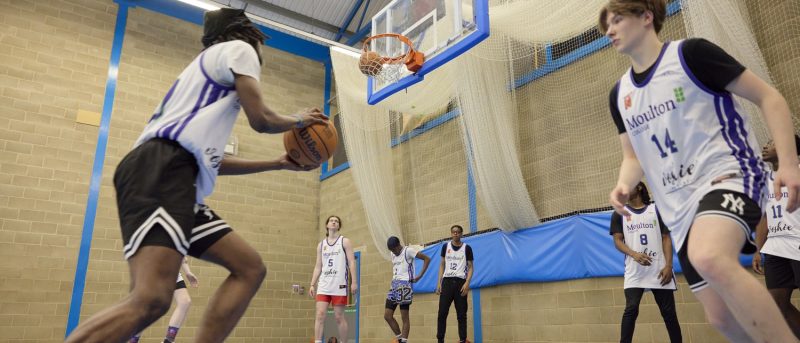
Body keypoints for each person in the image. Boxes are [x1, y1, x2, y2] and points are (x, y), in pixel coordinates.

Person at [65, 8, 328, 343]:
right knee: (151, 298)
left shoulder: (206, 81)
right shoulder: (239, 49)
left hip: (176, 176)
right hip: (163, 170)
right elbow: (261, 119)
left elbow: (211, 162)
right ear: (244, 33)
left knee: (249, 267)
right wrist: (299, 119)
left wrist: (276, 164)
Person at [601, 0, 800, 340]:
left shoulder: (691, 55)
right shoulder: (620, 95)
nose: (609, 29)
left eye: (617, 19)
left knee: (707, 254)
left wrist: (790, 163)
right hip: (678, 210)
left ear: (647, 17)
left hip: (729, 175)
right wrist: (623, 183)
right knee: (720, 317)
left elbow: (769, 98)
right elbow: (632, 157)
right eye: (605, 24)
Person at [609, 182, 681, 343]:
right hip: (634, 270)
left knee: (669, 314)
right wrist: (634, 254)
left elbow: (666, 238)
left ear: (639, 187)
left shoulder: (656, 210)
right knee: (631, 309)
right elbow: (618, 241)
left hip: (659, 269)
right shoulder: (620, 213)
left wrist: (669, 265)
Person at [753, 136, 800, 338]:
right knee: (776, 307)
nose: (765, 146)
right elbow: (765, 216)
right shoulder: (765, 179)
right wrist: (758, 249)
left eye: (771, 142)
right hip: (775, 247)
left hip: (797, 242)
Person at [310, 216, 358, 343]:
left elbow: (352, 262)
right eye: (331, 220)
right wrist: (312, 284)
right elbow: (318, 266)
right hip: (324, 284)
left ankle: (343, 341)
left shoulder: (344, 241)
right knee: (320, 314)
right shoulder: (321, 245)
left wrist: (354, 282)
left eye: (336, 221)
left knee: (338, 317)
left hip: (339, 284)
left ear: (338, 226)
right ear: (327, 225)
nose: (334, 222)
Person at [129, 257, 199, 343]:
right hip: (153, 271)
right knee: (148, 309)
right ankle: (133, 341)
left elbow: (181, 254)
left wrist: (188, 271)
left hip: (172, 272)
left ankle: (168, 340)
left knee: (185, 301)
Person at [384, 236, 431, 343]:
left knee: (404, 317)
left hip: (405, 285)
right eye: (391, 251)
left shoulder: (408, 251)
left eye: (394, 250)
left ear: (398, 245)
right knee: (387, 315)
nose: (393, 252)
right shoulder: (392, 253)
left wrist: (419, 276)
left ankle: (404, 341)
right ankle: (400, 338)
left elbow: (427, 259)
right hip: (394, 285)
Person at [436, 225, 473, 343]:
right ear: (451, 234)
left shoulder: (467, 248)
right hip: (447, 282)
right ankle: (440, 339)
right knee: (442, 313)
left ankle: (463, 339)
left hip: (460, 283)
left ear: (461, 234)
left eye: (458, 232)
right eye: (453, 232)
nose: (455, 234)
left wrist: (467, 283)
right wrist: (439, 282)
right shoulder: (445, 247)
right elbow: (442, 264)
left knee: (461, 314)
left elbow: (471, 267)